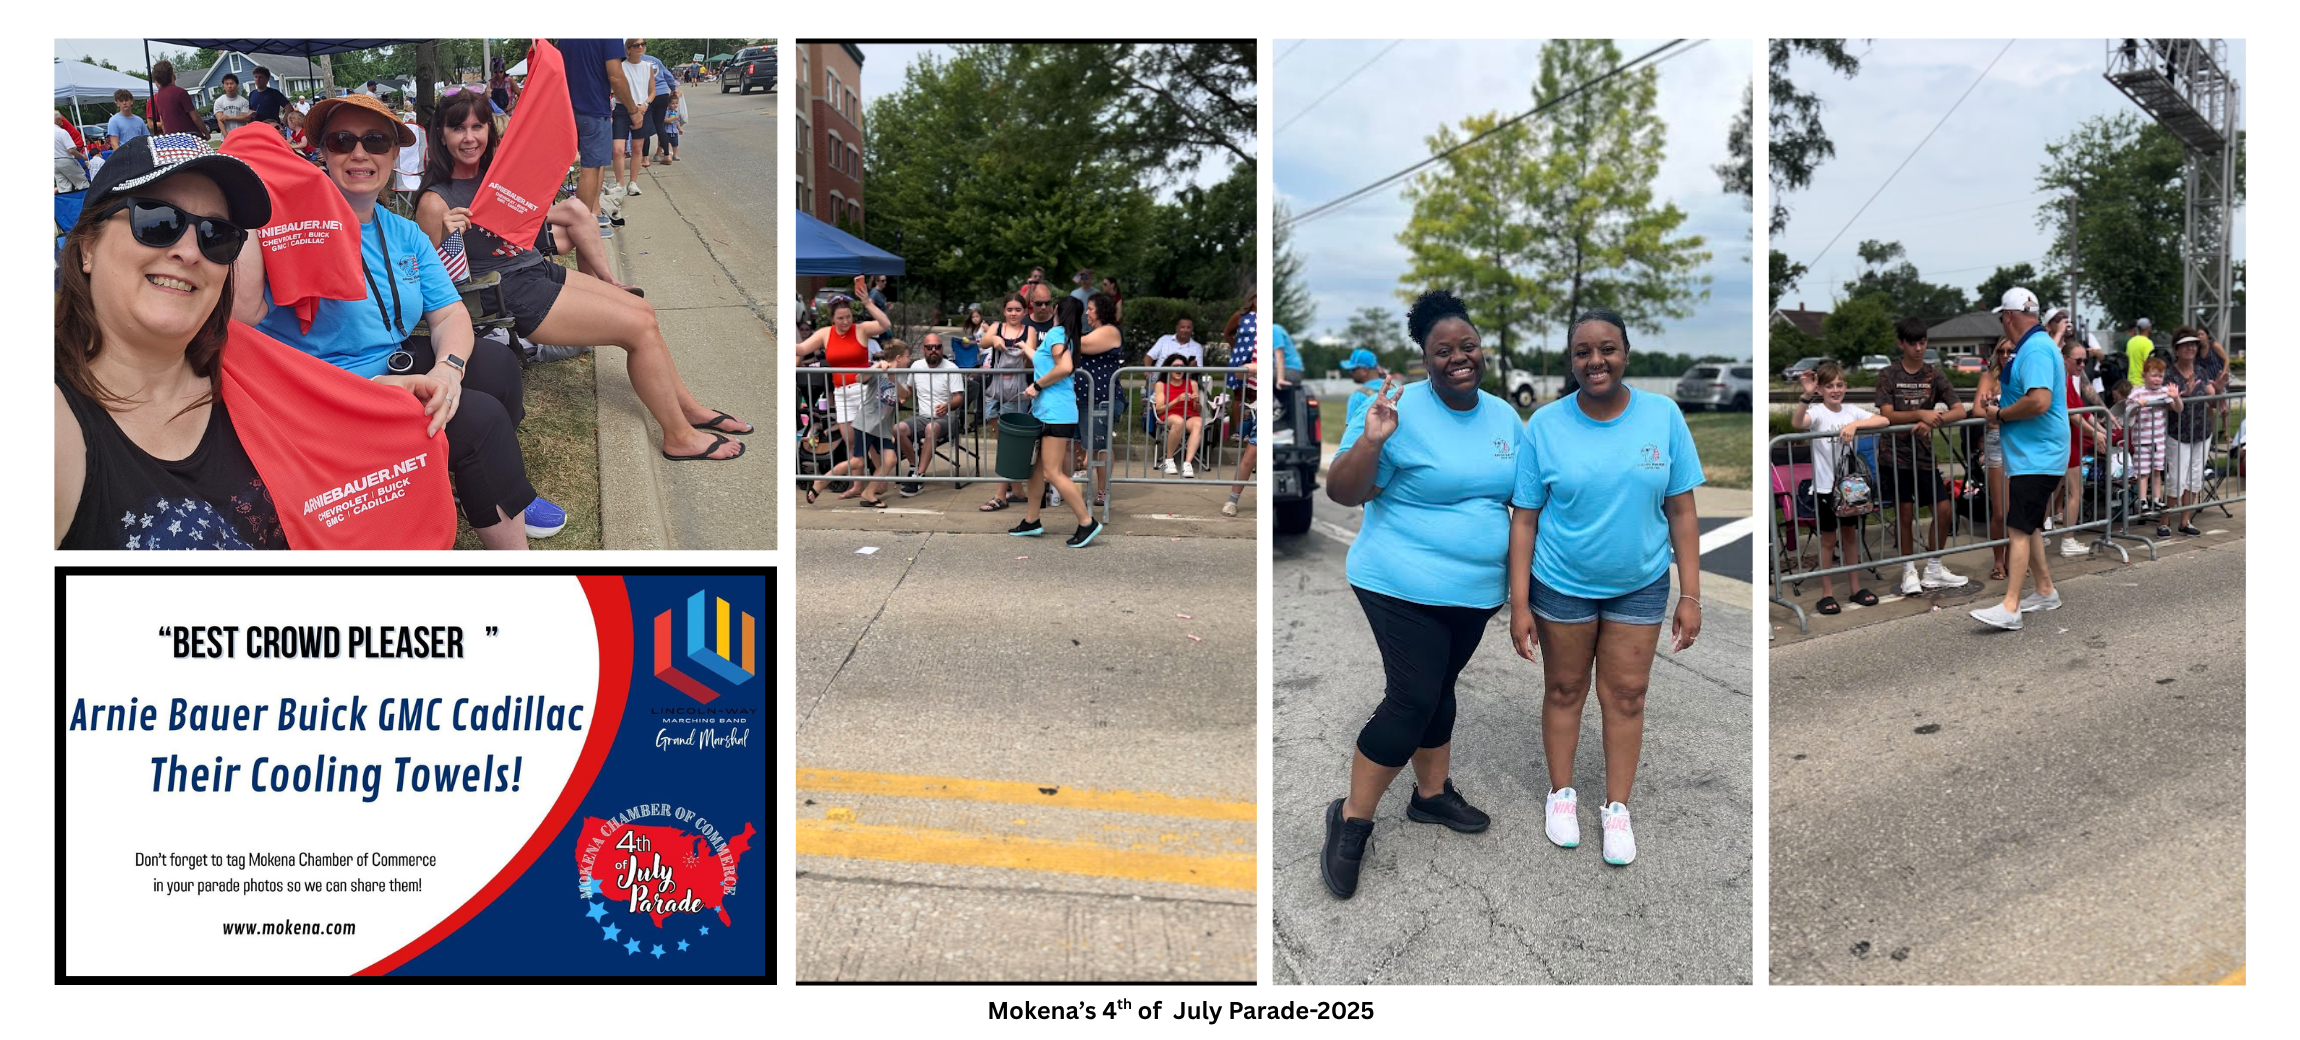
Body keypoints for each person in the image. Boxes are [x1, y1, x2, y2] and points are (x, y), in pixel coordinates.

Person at [229, 96, 551, 548]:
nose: (359, 153)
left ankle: (492, 479)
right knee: (481, 420)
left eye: (375, 141)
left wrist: (448, 369)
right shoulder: (284, 229)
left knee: (496, 363)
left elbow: (450, 312)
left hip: (394, 358)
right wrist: (253, 206)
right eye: (343, 141)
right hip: (329, 389)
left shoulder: (402, 231)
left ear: (394, 155)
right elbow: (241, 315)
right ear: (321, 152)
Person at [411, 90, 746, 464]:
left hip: (535, 267)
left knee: (643, 311)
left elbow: (550, 170)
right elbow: (432, 284)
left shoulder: (494, 176)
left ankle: (689, 409)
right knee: (637, 329)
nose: (469, 137)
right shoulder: (435, 201)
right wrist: (445, 237)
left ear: (490, 130)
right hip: (509, 292)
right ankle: (679, 437)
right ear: (440, 134)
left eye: (478, 126)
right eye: (458, 128)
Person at [1317, 290, 1521, 899]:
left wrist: (1521, 591)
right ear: (1424, 358)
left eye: (1468, 346)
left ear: (1480, 350)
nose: (1459, 357)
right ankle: (1351, 820)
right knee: (1411, 699)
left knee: (1438, 690)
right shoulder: (1394, 408)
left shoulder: (1505, 417)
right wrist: (1373, 440)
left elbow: (1520, 505)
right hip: (1397, 581)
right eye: (1443, 350)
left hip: (1476, 591)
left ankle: (1430, 797)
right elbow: (1344, 493)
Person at [1510, 308, 1705, 868]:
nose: (1595, 361)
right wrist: (1519, 603)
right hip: (1562, 584)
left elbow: (1681, 509)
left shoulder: (1663, 416)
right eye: (1582, 352)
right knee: (1565, 689)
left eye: (1607, 349)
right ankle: (1562, 795)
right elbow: (1524, 517)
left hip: (1638, 585)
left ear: (1626, 352)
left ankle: (1617, 807)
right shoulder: (1545, 425)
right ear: (1571, 360)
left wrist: (1689, 595)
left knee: (1626, 696)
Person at [55, 135, 288, 548]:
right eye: (157, 220)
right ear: (88, 246)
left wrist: (370, 405)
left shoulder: (247, 370)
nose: (190, 252)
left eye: (216, 235)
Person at [1971, 288, 2069, 630]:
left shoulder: (2037, 348)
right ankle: (2045, 591)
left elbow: (2040, 401)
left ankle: (2010, 606)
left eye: (2002, 317)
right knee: (2030, 526)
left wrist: (2001, 414)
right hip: (2034, 453)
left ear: (2008, 316)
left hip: (2039, 454)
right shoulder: (2033, 347)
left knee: (2017, 528)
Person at [1872, 315, 1969, 594]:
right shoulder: (1888, 374)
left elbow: (1959, 410)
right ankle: (1908, 570)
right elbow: (1887, 415)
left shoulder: (1934, 374)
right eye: (1912, 343)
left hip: (1924, 456)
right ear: (1901, 343)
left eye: (1922, 342)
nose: (1918, 348)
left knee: (1943, 509)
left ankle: (1934, 568)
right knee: (1904, 515)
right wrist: (1919, 413)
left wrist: (1932, 421)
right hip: (1894, 455)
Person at [1792, 360, 1888, 613]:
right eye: (1829, 386)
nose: (1835, 390)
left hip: (1850, 490)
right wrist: (1805, 394)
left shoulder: (1851, 411)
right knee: (1827, 540)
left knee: (1850, 538)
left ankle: (1855, 588)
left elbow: (1884, 420)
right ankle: (1827, 593)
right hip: (1825, 489)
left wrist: (1855, 425)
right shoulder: (1818, 412)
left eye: (1839, 385)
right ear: (1821, 389)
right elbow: (1797, 423)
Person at [1009, 296, 1101, 547]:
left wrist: (1036, 385)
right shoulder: (1066, 336)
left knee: (1052, 472)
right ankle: (1032, 520)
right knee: (1037, 469)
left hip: (1055, 413)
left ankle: (1086, 522)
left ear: (1057, 310)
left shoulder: (1055, 333)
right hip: (1052, 412)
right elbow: (1045, 359)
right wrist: (1023, 347)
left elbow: (1065, 366)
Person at [796, 277, 887, 503]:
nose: (845, 321)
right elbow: (801, 347)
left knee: (867, 436)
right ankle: (858, 484)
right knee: (850, 439)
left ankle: (881, 476)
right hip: (841, 392)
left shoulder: (862, 329)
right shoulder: (826, 333)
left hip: (864, 388)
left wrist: (867, 303)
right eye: (840, 318)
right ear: (832, 318)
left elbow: (885, 325)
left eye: (848, 316)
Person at [975, 294, 1038, 512]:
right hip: (995, 390)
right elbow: (982, 342)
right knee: (1002, 440)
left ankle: (1000, 494)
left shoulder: (1029, 331)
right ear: (1004, 310)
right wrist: (993, 340)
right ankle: (1018, 491)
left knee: (1008, 444)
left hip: (1016, 392)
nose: (1013, 313)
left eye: (1018, 309)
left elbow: (1032, 357)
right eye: (1010, 309)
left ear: (1024, 312)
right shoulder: (996, 327)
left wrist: (1025, 351)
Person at [2054, 328, 2113, 558]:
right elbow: (2072, 413)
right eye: (2078, 361)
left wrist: (2102, 428)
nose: (2082, 366)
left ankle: (2043, 533)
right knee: (2074, 492)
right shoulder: (2061, 379)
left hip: (2067, 439)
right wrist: (2096, 432)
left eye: (2084, 361)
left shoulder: (2067, 379)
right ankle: (2067, 539)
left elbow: (2083, 409)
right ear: (2065, 359)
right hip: (2066, 440)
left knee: (2055, 490)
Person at [558, 39, 625, 237]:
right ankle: (585, 225)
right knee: (592, 167)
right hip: (594, 109)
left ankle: (591, 215)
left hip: (571, 108)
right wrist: (632, 108)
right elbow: (616, 75)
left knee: (594, 164)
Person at [1071, 292, 1126, 507]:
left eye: (1091, 308)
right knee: (1083, 447)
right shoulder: (1090, 332)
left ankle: (1103, 491)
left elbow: (1080, 345)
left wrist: (1061, 334)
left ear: (1102, 310)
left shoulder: (1110, 331)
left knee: (1100, 446)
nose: (1087, 312)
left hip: (1101, 399)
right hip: (1082, 399)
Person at [894, 333, 966, 496]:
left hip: (947, 419)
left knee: (931, 428)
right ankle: (915, 465)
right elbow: (908, 392)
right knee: (898, 429)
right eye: (929, 347)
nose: (934, 350)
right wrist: (896, 387)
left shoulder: (951, 369)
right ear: (923, 349)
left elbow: (959, 398)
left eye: (937, 347)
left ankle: (918, 477)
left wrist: (948, 405)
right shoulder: (916, 366)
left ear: (942, 348)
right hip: (923, 416)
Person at [1971, 336, 2017, 579]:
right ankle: (1998, 559)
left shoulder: (2021, 377)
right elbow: (1978, 410)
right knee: (2000, 511)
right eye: (2002, 350)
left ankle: (2014, 558)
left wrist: (1996, 413)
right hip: (1996, 443)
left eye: (2011, 350)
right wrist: (2002, 414)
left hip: (2019, 443)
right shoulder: (1989, 378)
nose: (2006, 355)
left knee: (2016, 510)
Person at [2160, 331, 2212, 539]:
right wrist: (2186, 394)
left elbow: (2211, 393)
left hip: (2202, 431)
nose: (2190, 348)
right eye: (2185, 345)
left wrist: (2217, 388)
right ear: (2176, 349)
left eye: (2193, 344)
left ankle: (2185, 521)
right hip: (2178, 433)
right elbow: (2170, 406)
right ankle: (2165, 521)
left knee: (2194, 477)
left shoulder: (2201, 371)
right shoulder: (2169, 375)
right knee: (2176, 477)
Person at [2124, 356, 2175, 519]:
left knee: (2157, 471)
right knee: (2143, 473)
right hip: (2142, 440)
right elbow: (2128, 413)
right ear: (2144, 375)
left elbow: (2176, 407)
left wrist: (2176, 396)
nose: (2157, 379)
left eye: (2160, 376)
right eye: (2154, 375)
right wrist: (2137, 405)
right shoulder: (2137, 392)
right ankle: (2143, 500)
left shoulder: (2163, 391)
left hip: (2158, 439)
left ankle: (2157, 499)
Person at [1222, 299, 1258, 518]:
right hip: (1261, 404)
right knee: (1251, 454)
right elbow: (1240, 373)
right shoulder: (1243, 317)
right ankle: (1232, 500)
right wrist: (1248, 366)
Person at [612, 40, 658, 198]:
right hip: (622, 108)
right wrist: (632, 107)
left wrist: (645, 104)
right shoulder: (620, 66)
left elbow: (652, 91)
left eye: (643, 44)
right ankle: (620, 184)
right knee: (618, 149)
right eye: (636, 45)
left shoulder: (648, 66)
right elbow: (616, 91)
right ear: (628, 49)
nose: (640, 47)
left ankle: (633, 182)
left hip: (643, 108)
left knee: (638, 148)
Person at [1151, 355, 1205, 478]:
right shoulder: (1161, 385)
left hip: (1190, 414)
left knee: (1198, 423)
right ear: (1168, 368)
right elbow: (1159, 410)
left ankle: (1187, 463)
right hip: (1170, 414)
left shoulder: (1192, 383)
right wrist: (1176, 400)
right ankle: (1169, 460)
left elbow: (1198, 409)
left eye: (1182, 366)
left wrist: (1196, 402)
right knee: (1179, 422)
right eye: (1175, 366)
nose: (1179, 369)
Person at [638, 45, 677, 165]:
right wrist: (673, 88)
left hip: (647, 95)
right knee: (660, 125)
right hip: (663, 93)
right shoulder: (655, 60)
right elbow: (668, 76)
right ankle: (666, 155)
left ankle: (645, 158)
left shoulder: (635, 62)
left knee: (645, 127)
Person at [146, 61, 203, 140]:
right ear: (171, 73)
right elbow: (195, 117)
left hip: (171, 139)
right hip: (188, 136)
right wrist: (205, 132)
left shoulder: (159, 96)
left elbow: (162, 122)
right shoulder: (180, 92)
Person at [1339, 348, 1382, 432]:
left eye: (1353, 369)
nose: (1350, 372)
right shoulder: (1395, 388)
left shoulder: (1358, 396)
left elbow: (1351, 432)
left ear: (1364, 370)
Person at [246, 67, 291, 135]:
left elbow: (289, 108)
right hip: (257, 128)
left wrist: (282, 123)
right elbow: (250, 110)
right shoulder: (252, 93)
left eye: (260, 77)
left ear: (267, 79)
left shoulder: (274, 93)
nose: (258, 80)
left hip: (272, 128)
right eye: (256, 77)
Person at [55, 117, 90, 193]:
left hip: (54, 163)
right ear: (57, 120)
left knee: (63, 189)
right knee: (82, 183)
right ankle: (87, 202)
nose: (63, 122)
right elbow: (71, 150)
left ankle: (67, 204)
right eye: (61, 120)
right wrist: (82, 157)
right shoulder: (62, 132)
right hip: (66, 160)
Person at [2123, 317, 2155, 397]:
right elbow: (2150, 363)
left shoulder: (2130, 342)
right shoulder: (2148, 343)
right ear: (2149, 328)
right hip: (2143, 384)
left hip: (2130, 383)